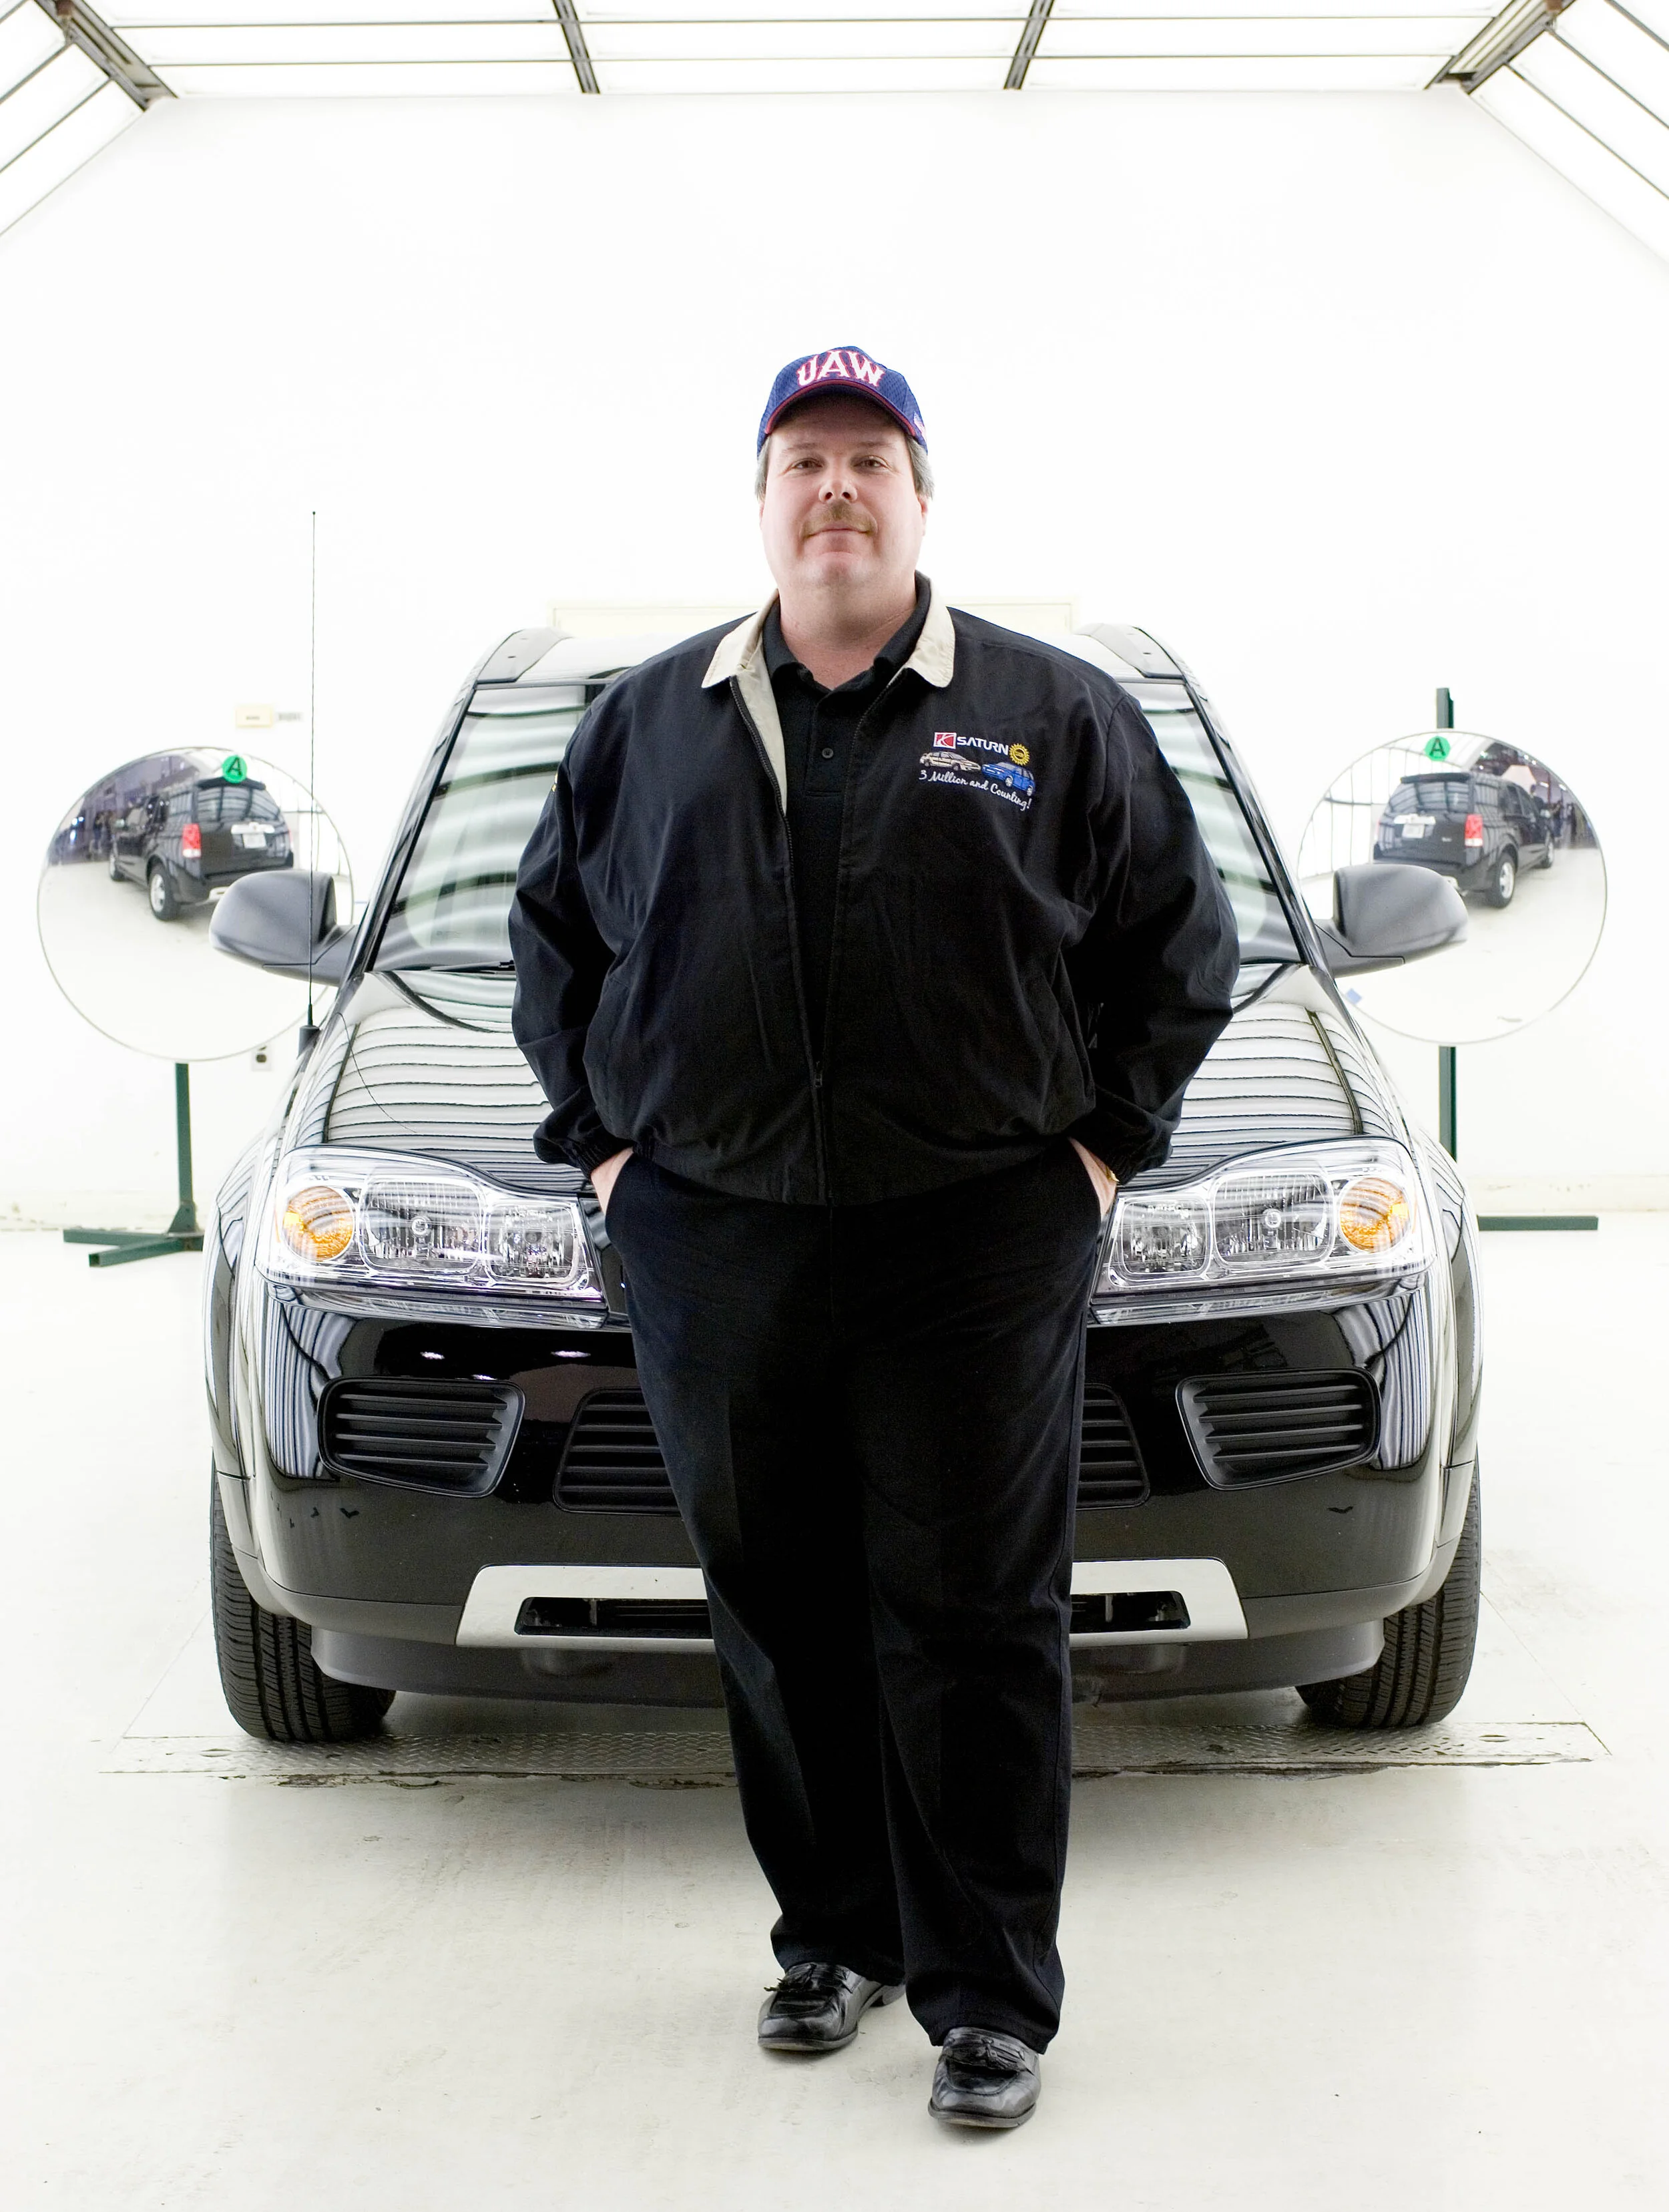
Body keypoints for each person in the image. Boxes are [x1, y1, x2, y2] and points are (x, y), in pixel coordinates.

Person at [510, 346, 1238, 2130]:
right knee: (775, 1605)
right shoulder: (647, 721)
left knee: (973, 1615)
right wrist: (609, 1156)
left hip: (974, 1240)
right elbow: (551, 945)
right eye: (804, 462)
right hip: (714, 1238)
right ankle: (831, 1933)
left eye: (870, 461)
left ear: (921, 499)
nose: (836, 489)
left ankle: (986, 1995)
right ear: (762, 503)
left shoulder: (1051, 712)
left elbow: (1177, 946)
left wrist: (1100, 1152)